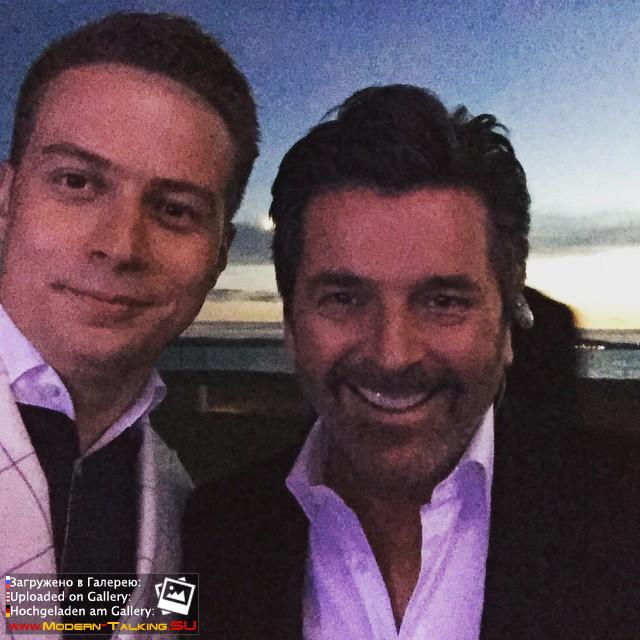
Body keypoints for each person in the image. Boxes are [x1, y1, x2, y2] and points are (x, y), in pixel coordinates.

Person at [184, 85, 639, 639]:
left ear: (506, 327)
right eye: (344, 298)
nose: (393, 354)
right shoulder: (207, 536)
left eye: (443, 301)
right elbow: (95, 616)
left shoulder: (623, 516)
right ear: (290, 325)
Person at [0, 10, 258, 629]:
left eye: (175, 210)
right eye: (77, 182)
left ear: (220, 255)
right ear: (6, 199)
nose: (120, 246)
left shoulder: (184, 506)